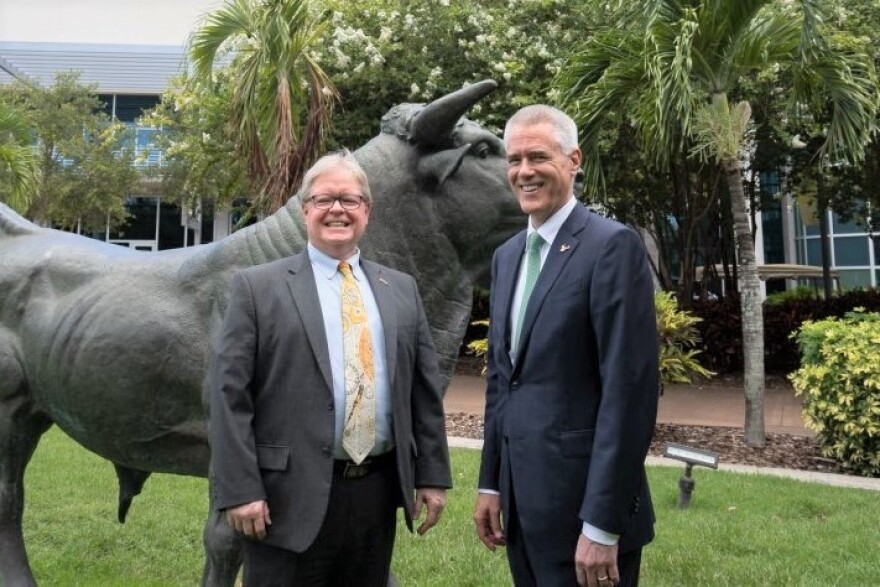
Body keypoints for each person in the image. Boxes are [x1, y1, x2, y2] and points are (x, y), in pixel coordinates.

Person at [210, 150, 452, 586]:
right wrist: (241, 489)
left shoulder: (400, 289)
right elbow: (230, 398)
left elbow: (423, 393)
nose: (337, 209)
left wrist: (432, 475)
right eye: (323, 199)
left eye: (349, 199)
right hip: (284, 501)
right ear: (305, 210)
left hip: (375, 495)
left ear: (367, 211)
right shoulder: (257, 288)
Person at [473, 105, 659, 587]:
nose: (524, 171)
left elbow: (629, 394)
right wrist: (491, 482)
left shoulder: (611, 247)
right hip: (521, 513)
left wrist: (601, 523)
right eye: (513, 160)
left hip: (585, 521)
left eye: (538, 157)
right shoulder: (507, 257)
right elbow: (502, 380)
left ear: (574, 160)